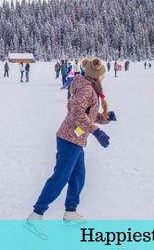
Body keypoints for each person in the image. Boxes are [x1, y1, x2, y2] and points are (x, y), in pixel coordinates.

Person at [27, 57, 116, 223]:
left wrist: (106, 118)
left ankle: (70, 211)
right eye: (103, 75)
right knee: (61, 177)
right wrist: (96, 132)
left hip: (77, 139)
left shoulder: (90, 87)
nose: (104, 78)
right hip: (69, 139)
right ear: (97, 75)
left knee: (78, 177)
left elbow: (89, 114)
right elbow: (77, 112)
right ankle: (37, 213)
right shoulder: (87, 89)